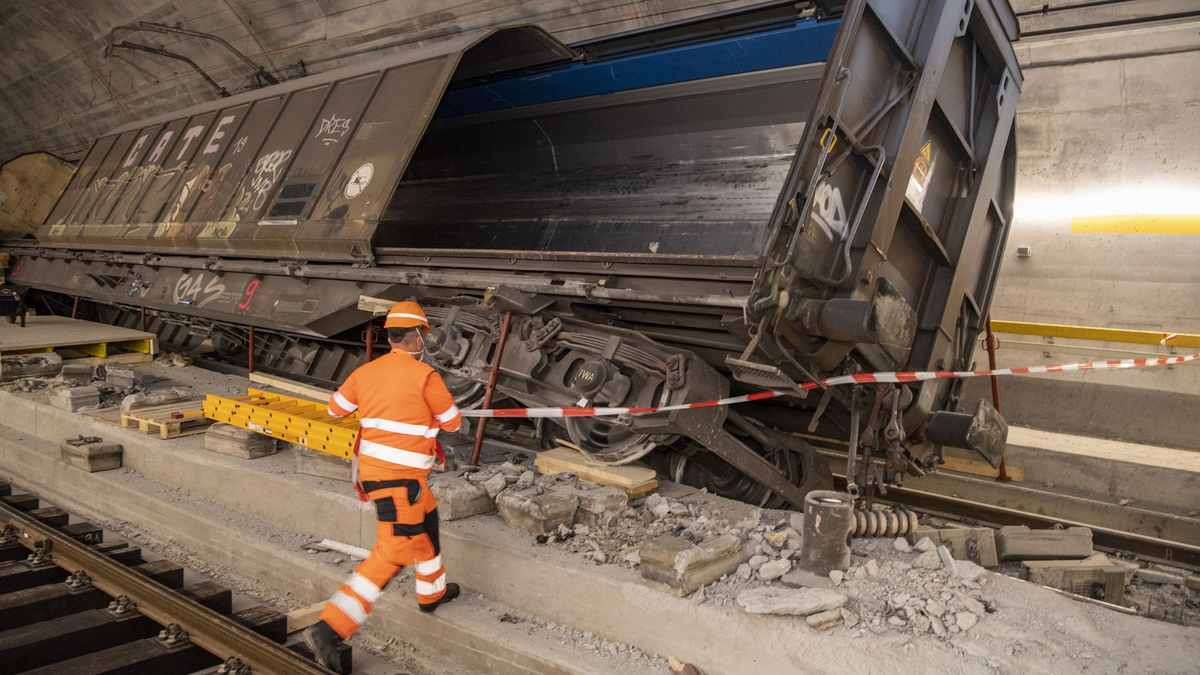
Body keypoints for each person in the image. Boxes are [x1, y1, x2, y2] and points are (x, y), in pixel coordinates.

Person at [303, 301, 462, 673]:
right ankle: (329, 630)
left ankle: (432, 593)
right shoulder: (426, 377)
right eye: (424, 333)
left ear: (390, 335)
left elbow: (335, 409)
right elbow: (452, 424)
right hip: (400, 481)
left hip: (382, 477)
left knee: (428, 519)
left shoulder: (366, 372)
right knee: (391, 553)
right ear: (418, 335)